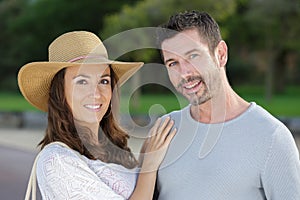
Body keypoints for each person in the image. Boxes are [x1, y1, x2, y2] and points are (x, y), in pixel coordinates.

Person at [154, 10, 300, 199]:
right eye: (173, 63)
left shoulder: (271, 136)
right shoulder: (165, 130)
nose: (184, 73)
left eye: (193, 56)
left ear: (221, 54)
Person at [18, 31, 176, 200]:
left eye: (104, 81)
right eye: (82, 81)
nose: (96, 93)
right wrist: (149, 167)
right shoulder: (56, 160)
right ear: (60, 92)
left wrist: (145, 162)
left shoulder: (114, 149)